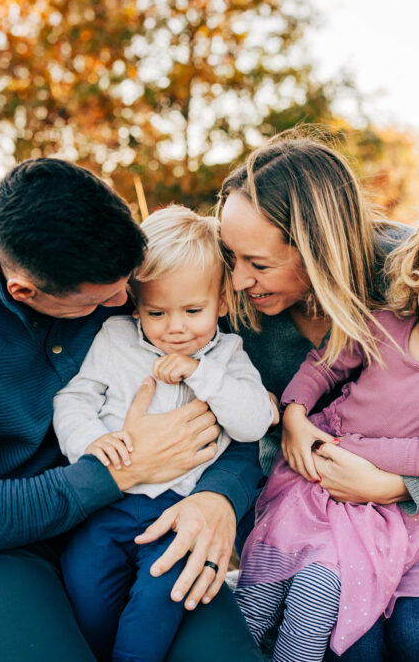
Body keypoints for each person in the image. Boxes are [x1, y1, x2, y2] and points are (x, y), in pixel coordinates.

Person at [0, 158, 265, 661]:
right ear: (26, 291)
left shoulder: (135, 285)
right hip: (0, 545)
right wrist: (122, 469)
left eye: (131, 288)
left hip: (144, 514)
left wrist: (218, 498)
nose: (128, 303)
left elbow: (227, 416)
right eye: (104, 301)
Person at [216, 133, 419, 660]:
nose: (237, 279)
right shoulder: (233, 295)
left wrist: (400, 486)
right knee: (345, 643)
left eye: (257, 262)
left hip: (413, 512)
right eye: (233, 256)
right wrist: (289, 422)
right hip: (302, 502)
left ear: (318, 247)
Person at [53, 206, 277, 662]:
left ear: (222, 302)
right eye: (157, 312)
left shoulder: (228, 356)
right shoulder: (115, 338)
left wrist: (203, 374)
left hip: (180, 517)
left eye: (193, 310)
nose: (175, 327)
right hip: (108, 503)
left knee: (160, 604)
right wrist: (89, 441)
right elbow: (73, 399)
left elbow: (254, 422)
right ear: (136, 304)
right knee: (86, 594)